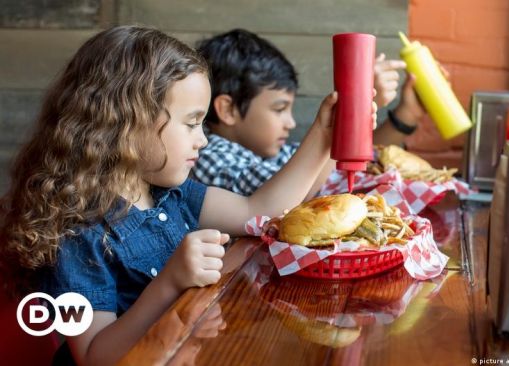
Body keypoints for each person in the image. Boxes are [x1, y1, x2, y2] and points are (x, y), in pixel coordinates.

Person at [0, 26, 374, 366]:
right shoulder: (75, 232)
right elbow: (96, 355)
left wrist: (325, 135)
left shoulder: (170, 193)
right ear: (127, 123)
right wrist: (170, 282)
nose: (203, 138)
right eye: (192, 122)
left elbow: (260, 211)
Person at [192, 29, 426, 197]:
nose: (291, 123)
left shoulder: (272, 154)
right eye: (280, 109)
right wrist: (354, 104)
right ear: (228, 109)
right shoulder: (210, 158)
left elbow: (334, 162)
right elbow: (290, 198)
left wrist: (404, 117)